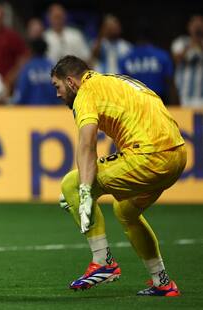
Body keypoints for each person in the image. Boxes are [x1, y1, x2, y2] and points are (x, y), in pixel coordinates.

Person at [51, 55, 186, 296]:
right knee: (126, 211)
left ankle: (104, 263)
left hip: (149, 156)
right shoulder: (114, 82)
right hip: (177, 154)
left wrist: (83, 191)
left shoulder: (86, 93)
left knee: (70, 183)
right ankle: (162, 281)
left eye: (57, 86)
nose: (58, 94)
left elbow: (87, 144)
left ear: (71, 82)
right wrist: (87, 190)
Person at [119, 22, 179, 105]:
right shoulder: (162, 56)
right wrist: (176, 107)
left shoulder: (125, 59)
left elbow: (121, 88)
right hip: (158, 104)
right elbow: (170, 84)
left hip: (134, 106)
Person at [13, 38, 60, 105]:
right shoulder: (53, 67)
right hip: (53, 110)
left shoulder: (28, 68)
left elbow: (20, 94)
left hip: (33, 112)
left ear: (32, 50)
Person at [171, 15, 203, 107]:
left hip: (201, 97)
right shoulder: (180, 42)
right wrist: (193, 41)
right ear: (189, 26)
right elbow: (176, 59)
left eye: (200, 25)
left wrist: (199, 42)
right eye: (195, 25)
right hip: (183, 97)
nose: (197, 28)